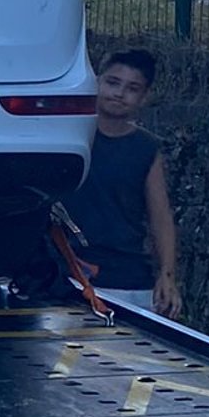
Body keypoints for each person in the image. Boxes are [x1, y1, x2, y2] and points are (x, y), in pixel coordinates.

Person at [64, 48, 183, 316]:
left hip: (128, 278)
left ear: (145, 96)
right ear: (97, 82)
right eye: (113, 83)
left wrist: (167, 275)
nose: (119, 93)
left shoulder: (146, 148)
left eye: (132, 88)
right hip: (67, 274)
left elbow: (160, 216)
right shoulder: (66, 136)